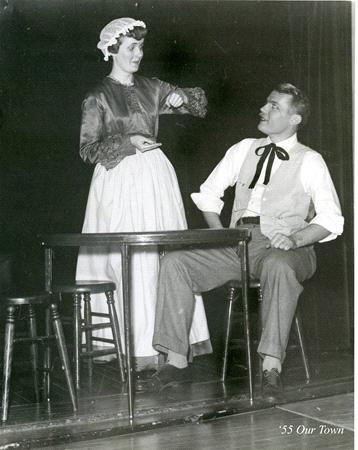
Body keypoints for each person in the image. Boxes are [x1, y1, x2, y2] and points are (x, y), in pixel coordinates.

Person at [151, 83, 344, 401]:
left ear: (295, 119)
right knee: (176, 262)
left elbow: (331, 219)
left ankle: (271, 365)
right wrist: (220, 234)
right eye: (266, 103)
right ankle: (176, 360)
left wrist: (293, 239)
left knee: (279, 266)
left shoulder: (310, 160)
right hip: (238, 243)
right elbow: (209, 194)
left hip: (289, 248)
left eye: (274, 107)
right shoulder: (243, 148)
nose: (264, 110)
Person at [76, 17, 211, 372]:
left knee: (164, 257)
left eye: (140, 48)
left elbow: (196, 105)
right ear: (112, 51)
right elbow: (88, 149)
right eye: (131, 48)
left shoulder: (151, 86)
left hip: (155, 176)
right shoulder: (97, 95)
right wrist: (128, 142)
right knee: (129, 261)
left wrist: (181, 98)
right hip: (118, 179)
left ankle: (171, 343)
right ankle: (134, 347)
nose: (138, 54)